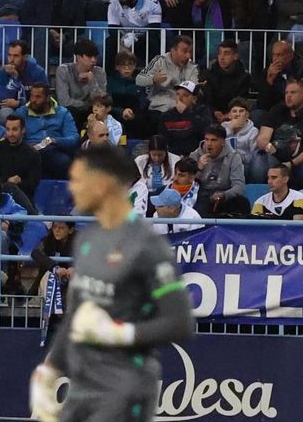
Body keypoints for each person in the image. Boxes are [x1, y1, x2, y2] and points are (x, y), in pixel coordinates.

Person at [30, 145, 193, 422]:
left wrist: (118, 334)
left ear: (102, 184)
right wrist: (50, 368)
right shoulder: (87, 240)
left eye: (79, 179)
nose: (72, 188)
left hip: (126, 385)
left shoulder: (148, 246)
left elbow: (180, 323)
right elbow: (78, 316)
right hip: (83, 383)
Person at [252, 79, 303, 189]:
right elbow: (262, 138)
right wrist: (268, 146)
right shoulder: (277, 110)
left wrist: (292, 163)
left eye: (293, 93)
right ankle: (259, 198)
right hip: (277, 158)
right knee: (259, 159)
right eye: (286, 93)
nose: (288, 96)